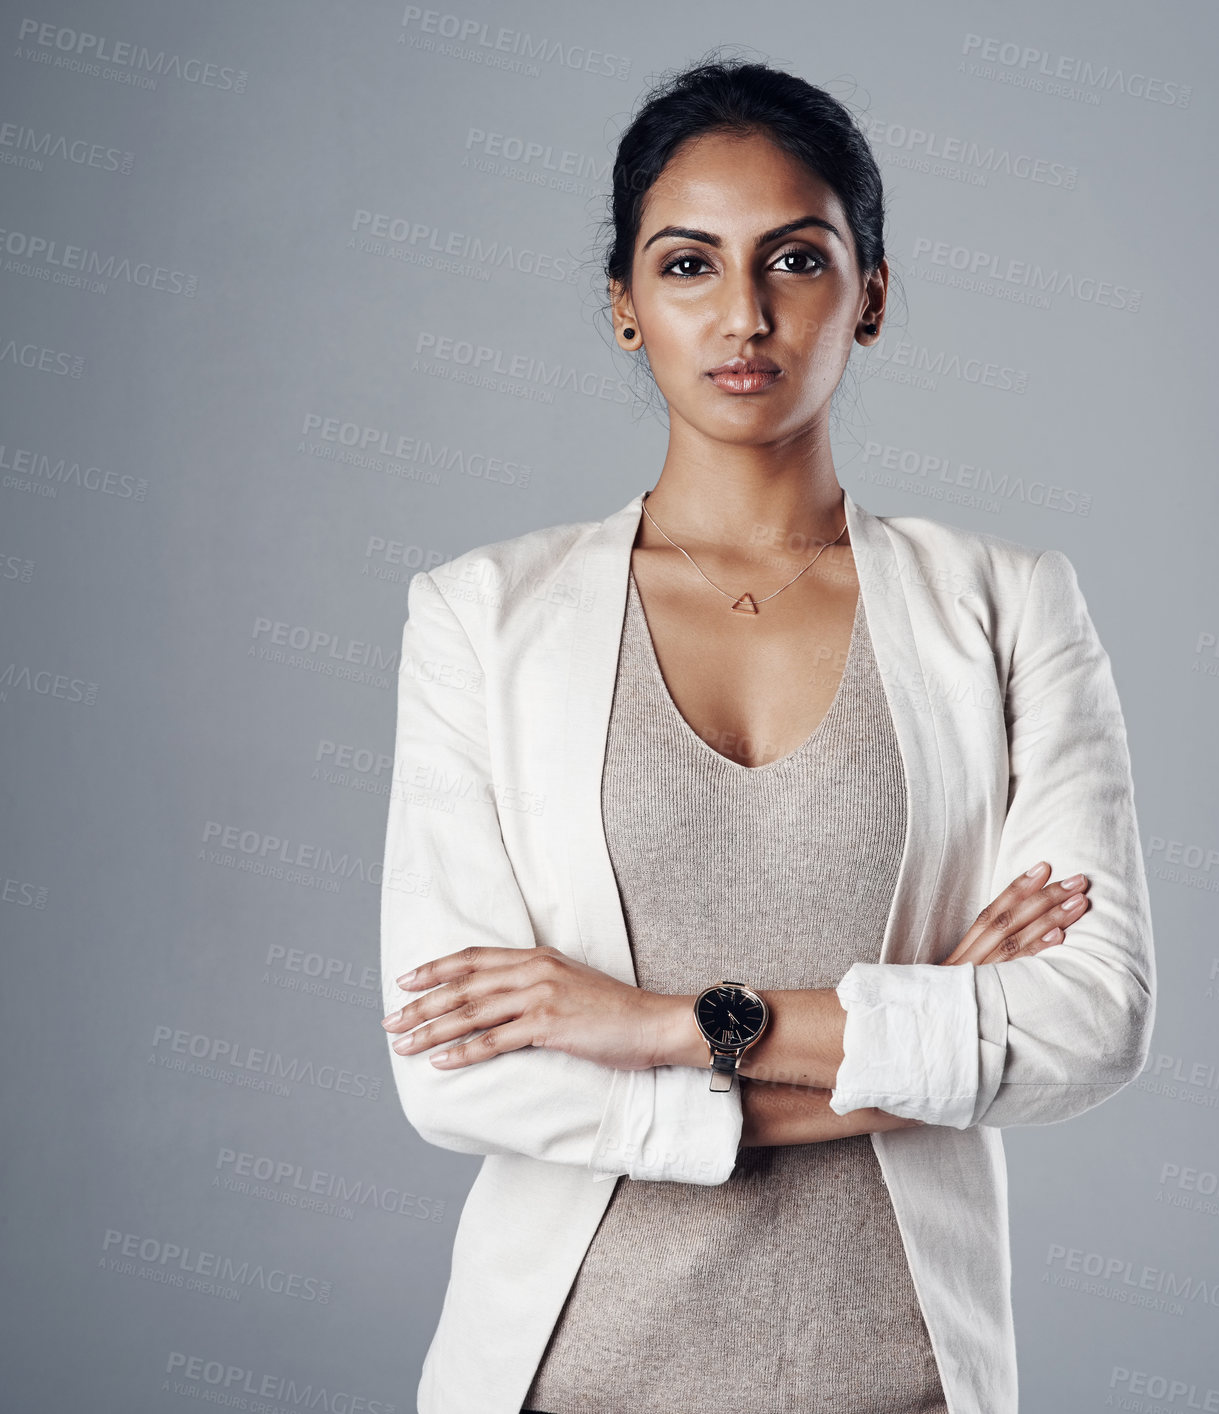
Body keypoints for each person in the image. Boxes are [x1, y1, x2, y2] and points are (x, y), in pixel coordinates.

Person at [378, 54, 1156, 1414]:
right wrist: (916, 1052)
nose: (742, 313)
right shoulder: (480, 619)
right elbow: (454, 1072)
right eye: (687, 266)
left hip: (901, 1378)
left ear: (871, 293)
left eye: (794, 258)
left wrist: (655, 1025)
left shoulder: (1006, 607)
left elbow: (1088, 1021)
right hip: (570, 1380)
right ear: (624, 305)